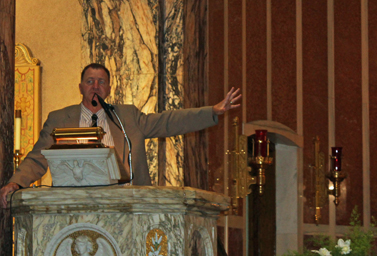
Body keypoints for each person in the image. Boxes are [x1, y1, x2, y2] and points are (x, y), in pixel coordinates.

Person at [0, 63, 241, 208]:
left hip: (125, 205)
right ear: (81, 87)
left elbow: (169, 121)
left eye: (101, 82)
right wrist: (16, 181)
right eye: (90, 81)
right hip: (74, 204)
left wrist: (212, 111)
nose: (95, 86)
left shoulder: (127, 117)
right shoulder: (59, 118)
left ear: (109, 88)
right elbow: (38, 158)